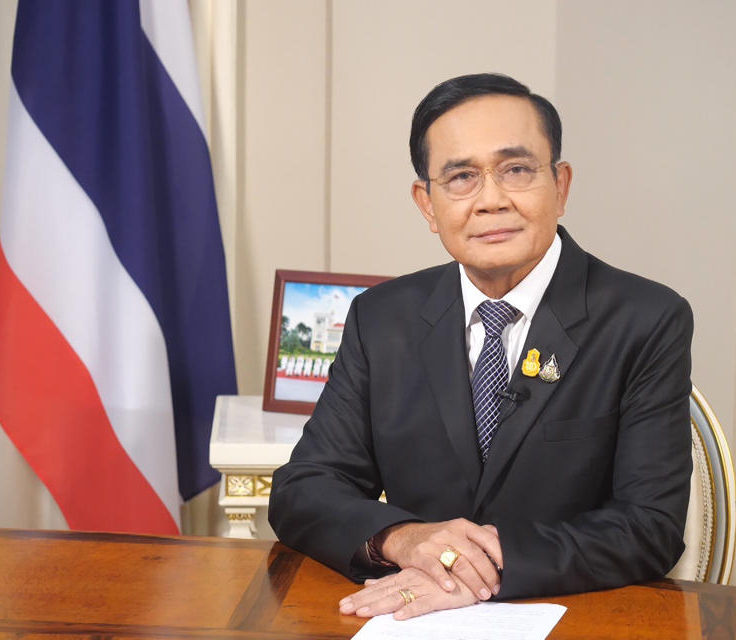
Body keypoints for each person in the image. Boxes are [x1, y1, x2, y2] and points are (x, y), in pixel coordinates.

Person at [268, 73, 693, 621]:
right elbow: (304, 488)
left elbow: (649, 526)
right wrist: (402, 539)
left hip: (572, 614)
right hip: (407, 618)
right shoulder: (382, 318)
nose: (491, 200)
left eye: (516, 170)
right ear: (427, 203)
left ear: (561, 186)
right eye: (461, 177)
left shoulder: (645, 319)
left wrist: (477, 568)